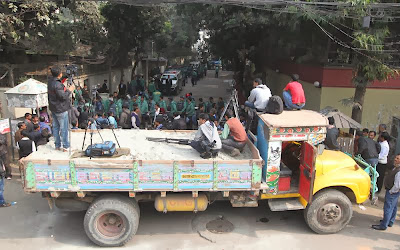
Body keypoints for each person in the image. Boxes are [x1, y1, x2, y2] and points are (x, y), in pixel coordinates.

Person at [48, 66, 75, 151]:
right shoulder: (58, 85)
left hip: (53, 108)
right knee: (64, 128)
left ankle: (57, 145)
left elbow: (58, 83)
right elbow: (63, 96)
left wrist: (66, 77)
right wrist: (70, 90)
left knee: (56, 127)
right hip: (61, 109)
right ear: (59, 74)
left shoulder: (50, 81)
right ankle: (66, 146)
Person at [372, 154, 400, 230]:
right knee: (393, 207)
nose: (395, 159)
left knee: (388, 208)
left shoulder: (398, 171)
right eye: (395, 158)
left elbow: (397, 185)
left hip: (392, 192)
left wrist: (391, 191)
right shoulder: (396, 168)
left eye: (397, 158)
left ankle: (383, 225)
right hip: (393, 191)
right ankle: (390, 221)